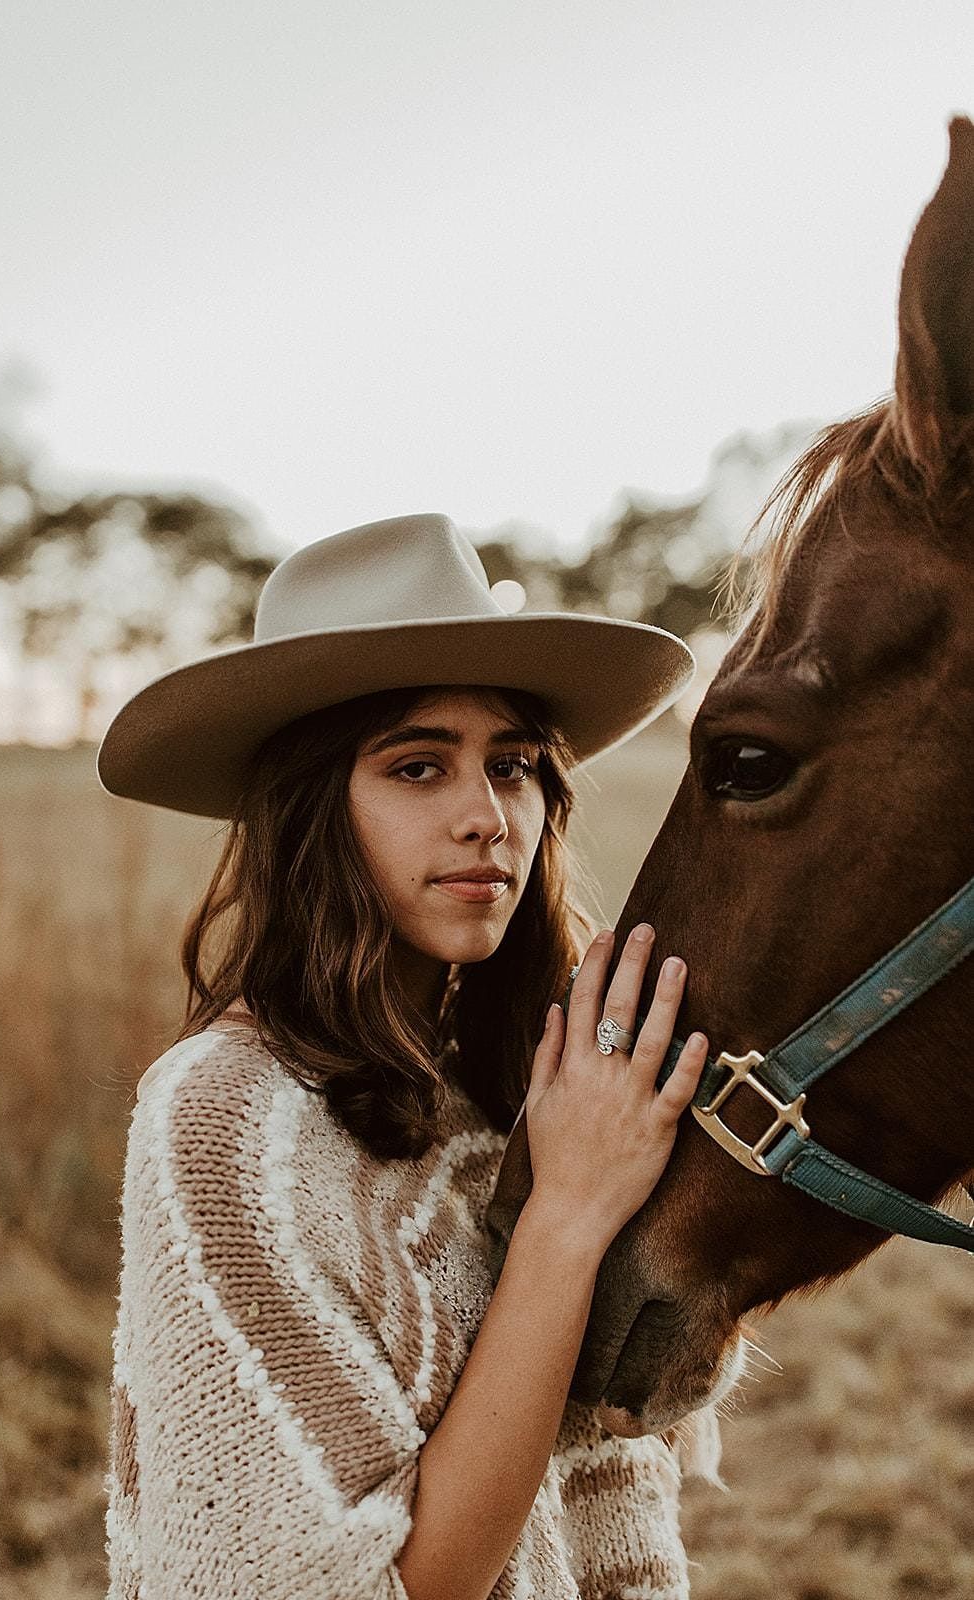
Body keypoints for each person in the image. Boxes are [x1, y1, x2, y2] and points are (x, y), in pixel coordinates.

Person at [97, 511, 712, 1600]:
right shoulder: (226, 1116)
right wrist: (565, 1218)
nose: (486, 816)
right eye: (418, 767)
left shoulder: (519, 1081)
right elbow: (392, 1584)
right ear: (308, 815)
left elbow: (619, 1439)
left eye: (513, 765)